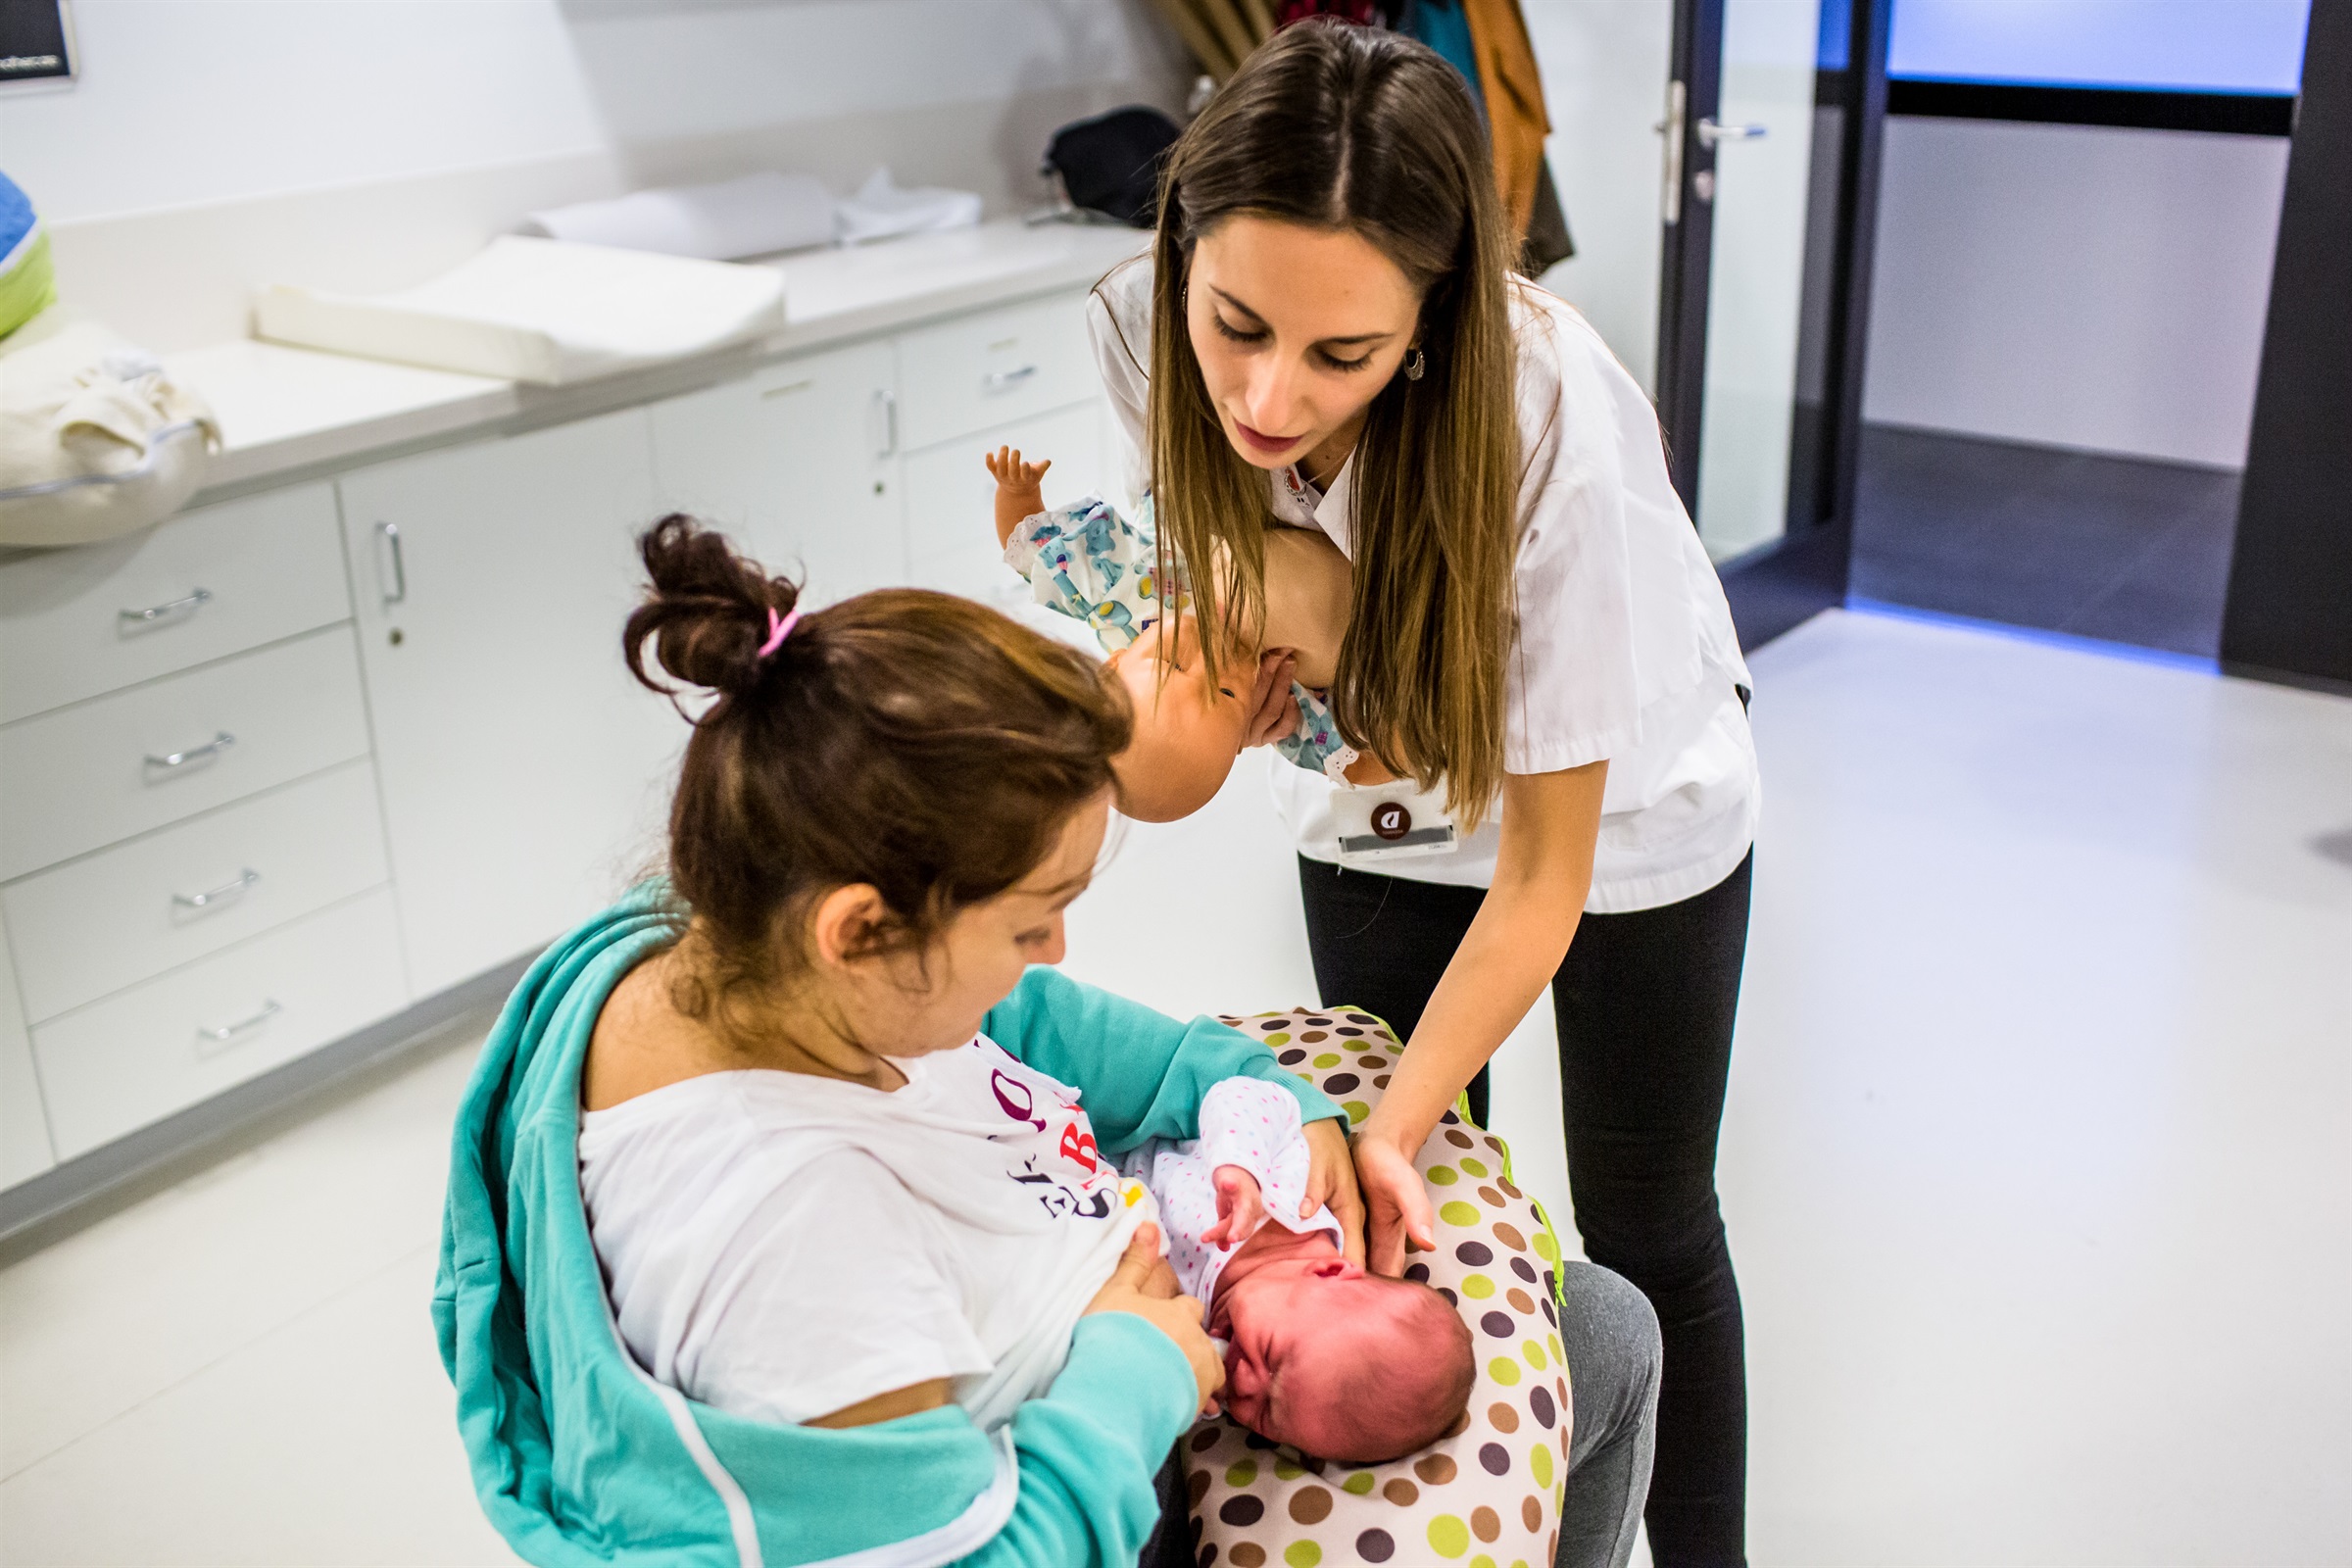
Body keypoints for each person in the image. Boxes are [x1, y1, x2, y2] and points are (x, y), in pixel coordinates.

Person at [1088, 22, 1759, 1566]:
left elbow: (1543, 872)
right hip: (1376, 812)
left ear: (1435, 324)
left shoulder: (1549, 422)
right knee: (1417, 1211)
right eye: (1236, 324)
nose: (1264, 398)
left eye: (1341, 356)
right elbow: (1219, 586)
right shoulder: (1134, 326)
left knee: (1647, 1223)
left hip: (1620, 827)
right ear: (1184, 246)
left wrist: (1385, 1120)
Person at [987, 444, 1365, 819]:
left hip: (1212, 471)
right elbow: (1357, 765)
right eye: (1227, 692)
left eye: (1174, 663)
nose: (1211, 658)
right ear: (1242, 736)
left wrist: (1019, 494)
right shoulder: (1278, 706)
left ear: (1114, 666)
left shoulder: (1115, 599)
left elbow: (1033, 554)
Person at [1122, 1075, 1474, 1463]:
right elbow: (1243, 1092)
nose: (1241, 1382)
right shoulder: (1293, 1198)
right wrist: (1241, 1165)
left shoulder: (1205, 1351)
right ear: (1329, 1273)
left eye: (1265, 1416)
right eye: (1272, 1355)